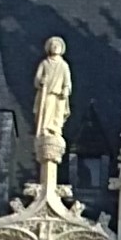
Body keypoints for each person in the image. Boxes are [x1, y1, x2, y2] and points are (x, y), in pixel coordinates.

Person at [34, 36, 73, 166]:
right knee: (47, 113)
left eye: (58, 46)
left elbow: (67, 81)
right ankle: (45, 129)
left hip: (59, 96)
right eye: (53, 45)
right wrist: (41, 81)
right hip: (48, 95)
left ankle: (55, 130)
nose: (55, 47)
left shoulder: (63, 65)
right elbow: (37, 79)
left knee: (57, 116)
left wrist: (66, 89)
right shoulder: (45, 64)